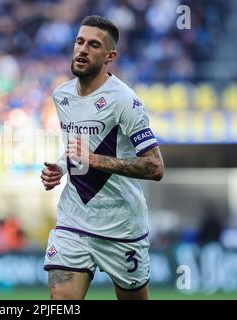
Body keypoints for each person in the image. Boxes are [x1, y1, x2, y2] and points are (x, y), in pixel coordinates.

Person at [40, 15, 164, 300]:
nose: (83, 49)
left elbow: (155, 167)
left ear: (111, 56)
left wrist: (94, 160)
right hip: (74, 219)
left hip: (121, 226)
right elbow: (76, 147)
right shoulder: (62, 95)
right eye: (79, 42)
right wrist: (60, 167)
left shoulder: (125, 101)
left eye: (94, 45)